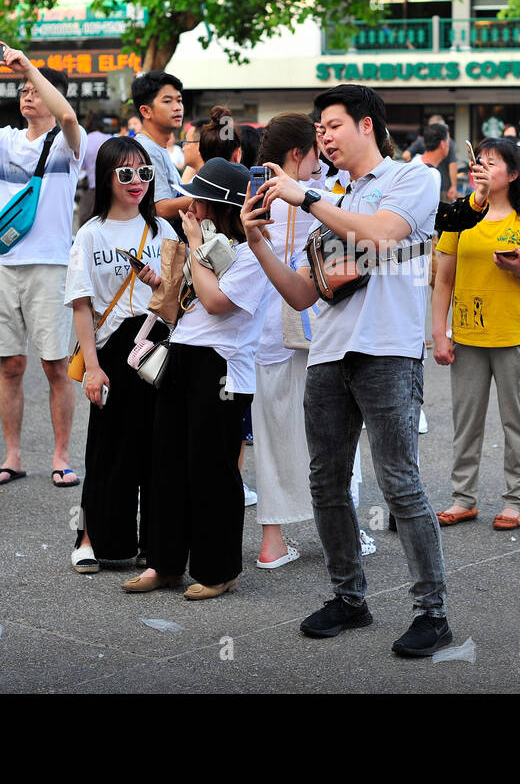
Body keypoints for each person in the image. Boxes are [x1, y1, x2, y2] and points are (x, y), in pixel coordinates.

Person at [249, 84, 453, 657]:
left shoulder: (412, 179)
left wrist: (305, 198)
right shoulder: (329, 194)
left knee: (399, 483)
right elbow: (300, 293)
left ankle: (432, 614)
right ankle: (349, 597)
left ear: (366, 125)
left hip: (388, 350)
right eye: (319, 131)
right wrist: (257, 239)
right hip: (329, 353)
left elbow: (384, 234)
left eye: (333, 126)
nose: (324, 137)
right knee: (326, 482)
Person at [123, 158, 267, 599]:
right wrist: (163, 279)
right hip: (182, 355)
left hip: (223, 365)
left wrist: (194, 248)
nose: (190, 208)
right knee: (165, 463)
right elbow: (183, 304)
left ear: (219, 206)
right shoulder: (203, 243)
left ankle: (218, 569)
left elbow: (217, 301)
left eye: (198, 201)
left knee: (211, 470)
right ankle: (164, 562)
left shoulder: (251, 251)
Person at [0, 44, 85, 488]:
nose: (27, 94)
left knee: (55, 367)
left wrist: (29, 65)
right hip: (4, 266)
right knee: (10, 365)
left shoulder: (68, 142)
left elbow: (67, 118)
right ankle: (13, 456)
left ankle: (61, 455)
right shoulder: (4, 140)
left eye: (35, 89)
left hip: (51, 267)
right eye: (22, 89)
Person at [432, 137, 520, 530]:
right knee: (465, 423)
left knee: (517, 423)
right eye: (479, 161)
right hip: (468, 337)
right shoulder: (460, 217)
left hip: (515, 337)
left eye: (492, 162)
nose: (482, 167)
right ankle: (463, 498)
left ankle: (514, 501)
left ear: (514, 173)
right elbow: (443, 280)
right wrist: (440, 332)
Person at [66, 137, 174, 573]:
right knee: (107, 447)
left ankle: (153, 541)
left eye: (145, 173)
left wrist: (158, 285)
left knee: (157, 447)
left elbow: (178, 300)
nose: (137, 183)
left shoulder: (162, 230)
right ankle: (90, 537)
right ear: (106, 177)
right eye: (125, 173)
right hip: (111, 351)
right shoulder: (90, 234)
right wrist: (92, 367)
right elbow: (80, 304)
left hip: (157, 348)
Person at [243, 113, 327, 569]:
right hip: (299, 332)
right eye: (315, 151)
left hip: (253, 336)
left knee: (273, 439)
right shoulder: (306, 201)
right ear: (298, 154)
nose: (320, 161)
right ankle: (340, 530)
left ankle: (272, 541)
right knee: (326, 438)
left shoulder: (249, 195)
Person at [129, 71, 190, 221]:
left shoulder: (156, 147)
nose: (177, 107)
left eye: (179, 100)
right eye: (167, 101)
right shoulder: (146, 150)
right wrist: (209, 199)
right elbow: (161, 208)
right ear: (146, 111)